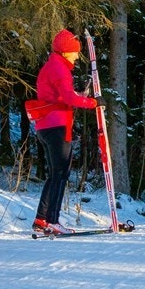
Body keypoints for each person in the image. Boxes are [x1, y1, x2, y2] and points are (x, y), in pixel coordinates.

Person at [26, 28, 98, 235]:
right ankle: (52, 221)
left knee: (55, 173)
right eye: (75, 51)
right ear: (66, 51)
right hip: (56, 126)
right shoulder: (59, 68)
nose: (77, 55)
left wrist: (79, 96)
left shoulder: (52, 66)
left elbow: (59, 95)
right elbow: (67, 98)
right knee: (60, 173)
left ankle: (42, 219)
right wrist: (91, 102)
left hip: (46, 126)